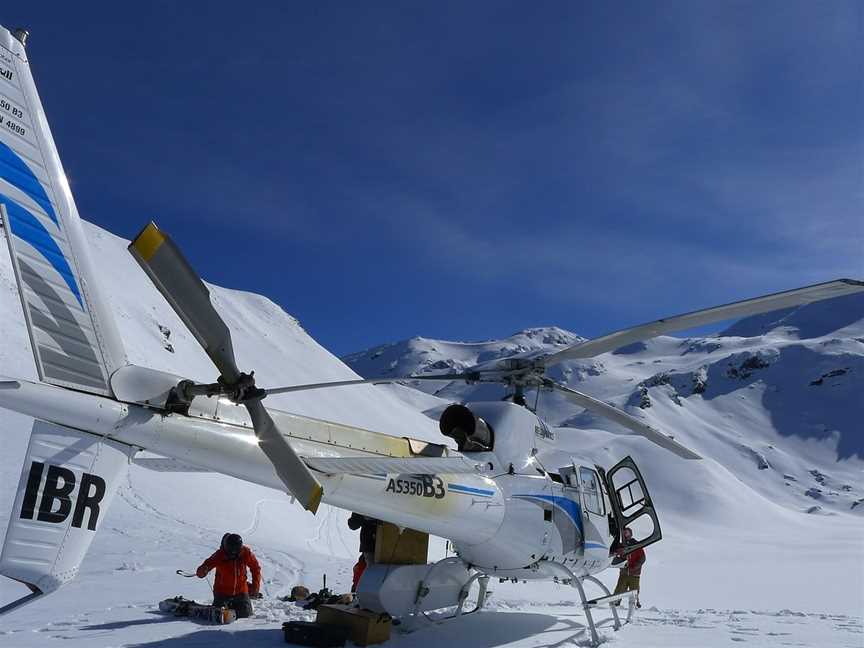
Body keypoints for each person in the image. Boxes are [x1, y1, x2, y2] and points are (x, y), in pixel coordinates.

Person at [196, 532, 262, 618]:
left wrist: (255, 587)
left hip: (241, 591)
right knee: (220, 615)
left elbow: (256, 568)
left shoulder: (246, 553)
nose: (233, 554)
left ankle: (239, 601)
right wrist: (202, 571)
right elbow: (207, 564)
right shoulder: (219, 555)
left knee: (245, 615)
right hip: (222, 592)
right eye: (230, 551)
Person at [612, 527, 645, 608]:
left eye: (627, 532)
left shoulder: (636, 545)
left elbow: (642, 558)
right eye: (624, 533)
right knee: (620, 588)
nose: (625, 534)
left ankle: (635, 603)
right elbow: (616, 555)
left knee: (634, 589)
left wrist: (635, 567)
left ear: (630, 534)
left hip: (634, 573)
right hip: (624, 572)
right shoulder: (621, 545)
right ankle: (616, 601)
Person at [347, 513, 378, 592]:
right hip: (369, 546)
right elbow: (353, 524)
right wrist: (365, 519)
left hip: (383, 545)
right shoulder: (362, 504)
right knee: (369, 572)